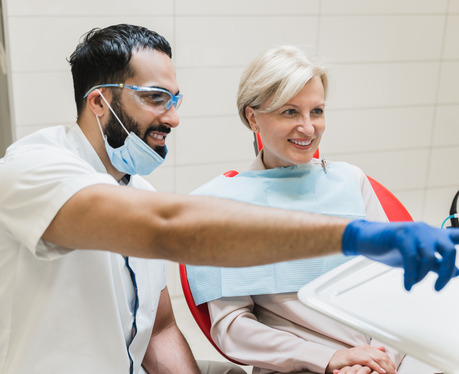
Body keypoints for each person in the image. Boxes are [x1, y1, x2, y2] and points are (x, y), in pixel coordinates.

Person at [0, 24, 459, 374]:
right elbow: (169, 229)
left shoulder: (138, 189)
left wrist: (382, 357)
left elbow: (161, 327)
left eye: (175, 99)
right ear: (100, 100)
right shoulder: (31, 168)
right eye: (154, 98)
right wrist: (357, 236)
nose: (173, 118)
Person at [185, 45, 444, 374]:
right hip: (301, 365)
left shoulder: (350, 181)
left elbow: (394, 283)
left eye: (317, 111)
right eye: (290, 112)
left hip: (388, 357)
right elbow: (232, 328)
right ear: (253, 117)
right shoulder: (217, 206)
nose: (308, 128)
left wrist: (382, 358)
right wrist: (328, 359)